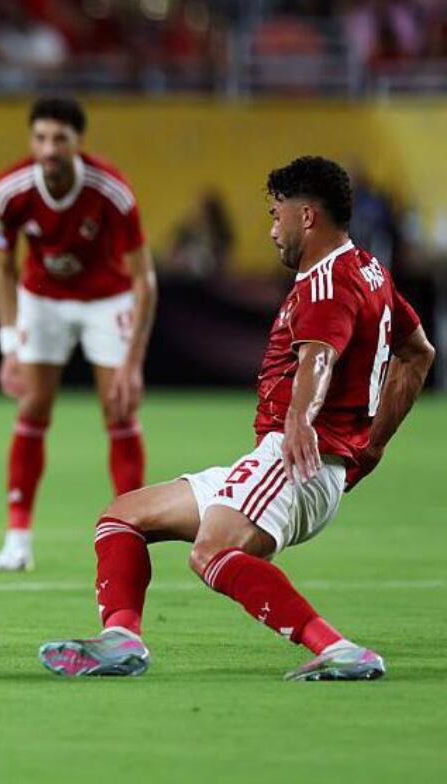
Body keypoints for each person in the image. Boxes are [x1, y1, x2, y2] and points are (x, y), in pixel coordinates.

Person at [38, 156, 435, 681]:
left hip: (295, 458)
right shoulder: (368, 268)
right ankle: (121, 639)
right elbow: (418, 352)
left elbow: (319, 358)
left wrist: (300, 419)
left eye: (276, 215)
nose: (273, 230)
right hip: (302, 461)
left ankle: (338, 649)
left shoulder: (327, 283)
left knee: (211, 553)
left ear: (308, 216)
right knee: (123, 517)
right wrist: (373, 444)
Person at [0, 97, 157, 572]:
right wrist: (9, 346)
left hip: (108, 299)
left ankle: (131, 534)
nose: (49, 148)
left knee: (119, 408)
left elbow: (146, 279)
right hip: (42, 299)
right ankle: (17, 541)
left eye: (60, 138)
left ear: (79, 143)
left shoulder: (112, 191)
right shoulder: (9, 192)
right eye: (40, 137)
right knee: (33, 407)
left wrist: (133, 363)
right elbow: (2, 271)